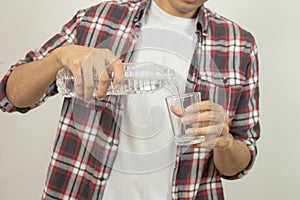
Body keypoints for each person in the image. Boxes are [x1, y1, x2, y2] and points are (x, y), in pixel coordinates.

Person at [0, 0, 260, 199]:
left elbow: (238, 163)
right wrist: (59, 57)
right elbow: (11, 97)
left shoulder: (239, 44)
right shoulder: (95, 21)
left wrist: (224, 143)